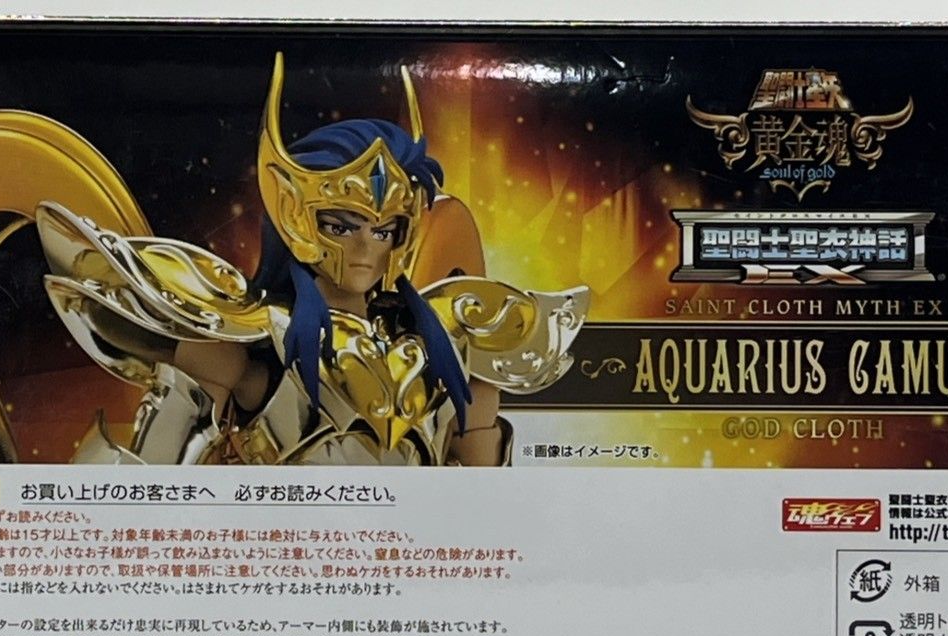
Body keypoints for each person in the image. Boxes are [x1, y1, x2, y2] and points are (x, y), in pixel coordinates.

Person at [36, 52, 588, 466]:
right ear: (295, 216)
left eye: (384, 229)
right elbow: (141, 481)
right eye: (341, 225)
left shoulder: (448, 346)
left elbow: (486, 506)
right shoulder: (256, 337)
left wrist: (479, 413)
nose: (365, 247)